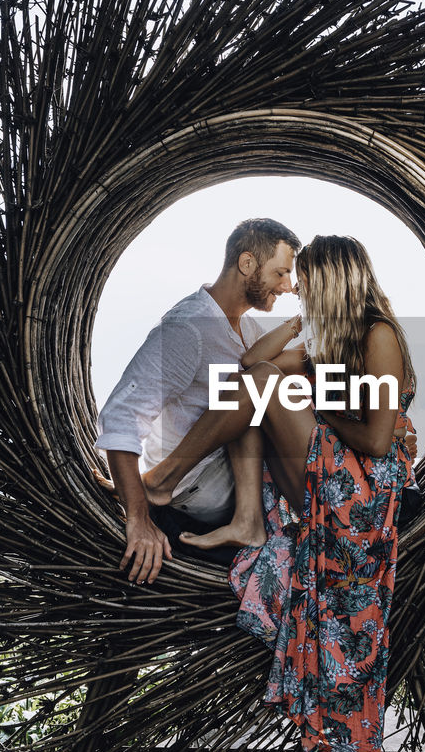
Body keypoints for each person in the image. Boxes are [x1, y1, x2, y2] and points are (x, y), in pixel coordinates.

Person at [141, 235, 416, 752]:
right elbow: (249, 360)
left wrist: (318, 406)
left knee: (265, 389)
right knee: (255, 384)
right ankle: (235, 514)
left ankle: (162, 480)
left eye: (308, 281)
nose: (299, 291)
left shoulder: (376, 335)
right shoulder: (325, 344)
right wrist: (300, 330)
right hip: (328, 484)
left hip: (364, 497)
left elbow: (380, 439)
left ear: (335, 280)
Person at [95, 218, 301, 584]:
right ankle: (158, 484)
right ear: (248, 264)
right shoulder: (187, 328)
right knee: (261, 380)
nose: (288, 286)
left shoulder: (249, 330)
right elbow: (120, 418)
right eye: (281, 273)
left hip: (240, 474)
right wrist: (138, 517)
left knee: (278, 384)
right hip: (202, 488)